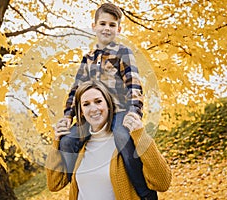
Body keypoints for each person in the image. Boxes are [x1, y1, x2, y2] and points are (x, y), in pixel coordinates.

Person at [57, 2, 157, 199]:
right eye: (102, 23)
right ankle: (77, 180)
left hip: (118, 110)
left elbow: (134, 85)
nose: (106, 28)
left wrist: (134, 112)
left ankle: (144, 192)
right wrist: (68, 116)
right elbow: (76, 90)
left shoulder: (123, 53)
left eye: (112, 25)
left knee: (122, 136)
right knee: (67, 141)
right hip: (93, 115)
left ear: (118, 29)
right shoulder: (87, 59)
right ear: (94, 26)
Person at [46, 80, 172, 200]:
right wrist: (57, 141)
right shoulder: (79, 147)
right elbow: (54, 184)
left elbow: (162, 183)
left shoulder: (126, 140)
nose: (93, 108)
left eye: (98, 101)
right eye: (86, 104)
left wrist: (140, 135)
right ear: (81, 112)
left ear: (108, 105)